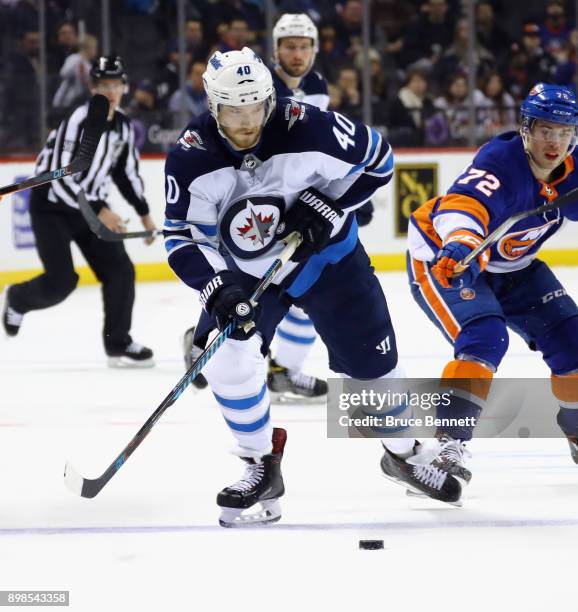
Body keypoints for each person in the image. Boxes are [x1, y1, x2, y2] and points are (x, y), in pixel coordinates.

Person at [163, 47, 432, 526]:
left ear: (270, 100)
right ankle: (259, 465)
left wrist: (329, 204)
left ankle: (404, 453)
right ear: (211, 105)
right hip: (247, 274)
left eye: (254, 108)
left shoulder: (310, 125)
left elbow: (379, 162)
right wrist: (217, 288)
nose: (245, 122)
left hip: (328, 261)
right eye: (232, 110)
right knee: (225, 355)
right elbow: (181, 236)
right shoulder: (190, 156)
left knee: (373, 368)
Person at [402, 83, 578, 504]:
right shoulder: (501, 161)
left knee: (573, 345)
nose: (554, 142)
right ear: (525, 129)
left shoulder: (574, 166)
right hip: (448, 257)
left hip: (513, 267)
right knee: (484, 338)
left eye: (564, 131)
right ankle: (448, 448)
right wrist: (460, 241)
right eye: (545, 130)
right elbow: (463, 205)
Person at [184, 14, 330, 402]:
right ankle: (204, 337)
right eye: (289, 46)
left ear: (315, 49)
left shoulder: (317, 86)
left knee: (310, 281)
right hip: (247, 201)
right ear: (276, 50)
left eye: (304, 46)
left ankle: (284, 370)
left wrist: (331, 197)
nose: (297, 54)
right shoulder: (258, 87)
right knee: (241, 279)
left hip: (291, 203)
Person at [1, 56, 157, 368]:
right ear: (93, 87)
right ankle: (17, 298)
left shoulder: (124, 126)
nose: (110, 91)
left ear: (124, 86)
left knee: (120, 271)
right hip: (52, 207)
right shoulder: (78, 120)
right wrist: (101, 210)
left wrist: (144, 214)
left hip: (90, 209)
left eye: (116, 84)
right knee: (62, 282)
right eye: (103, 85)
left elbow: (126, 173)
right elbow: (61, 176)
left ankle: (118, 342)